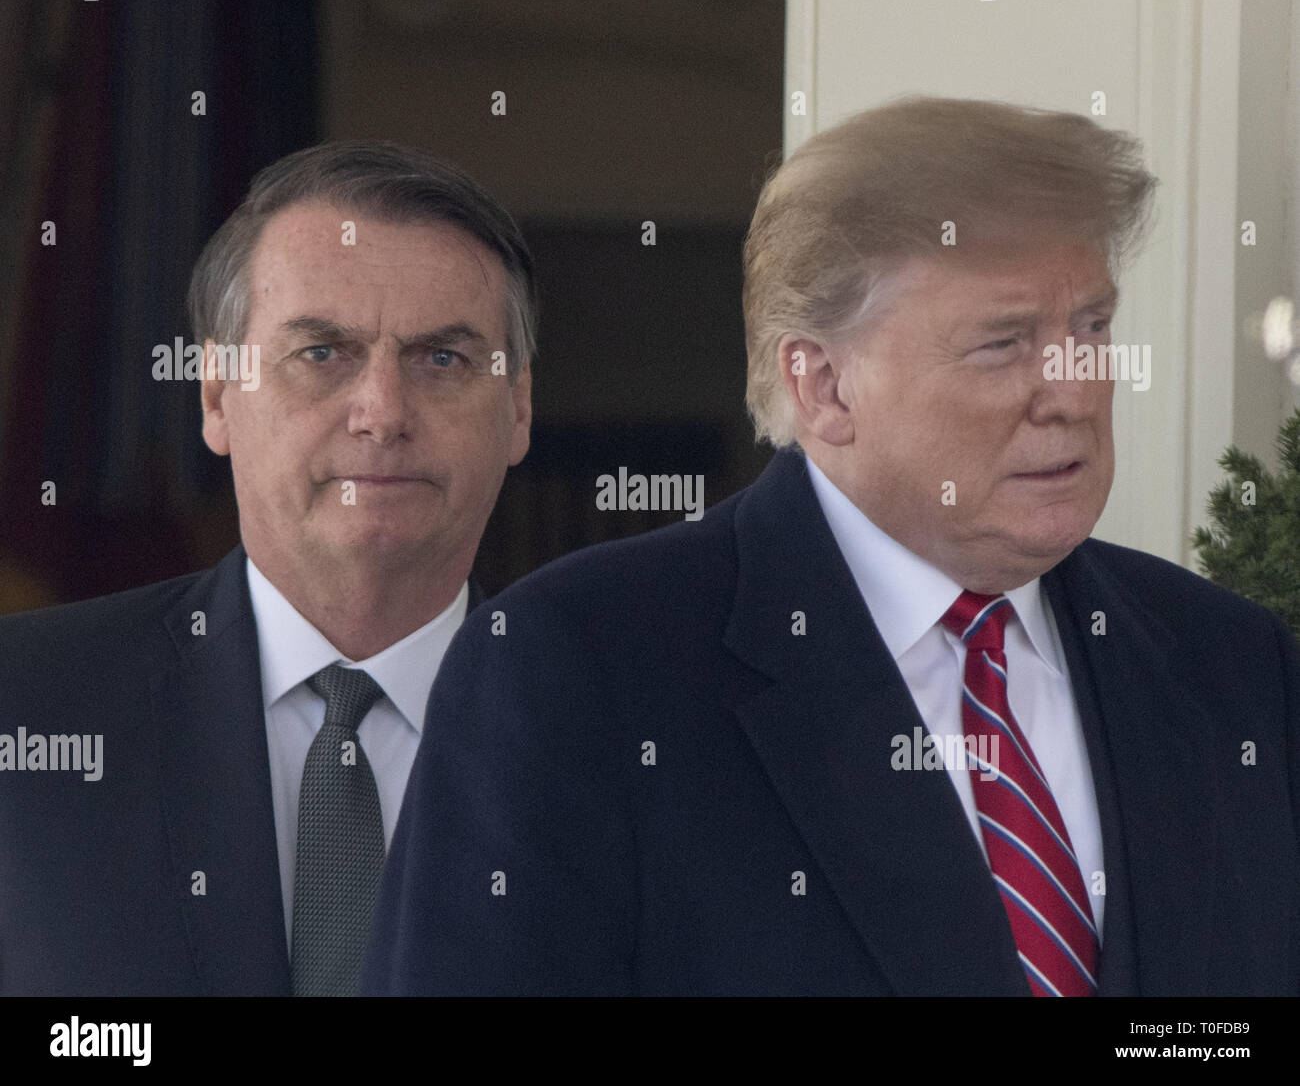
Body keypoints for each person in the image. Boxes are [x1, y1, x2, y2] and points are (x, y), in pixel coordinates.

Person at [363, 97, 1300, 996]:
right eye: (1004, 344)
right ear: (822, 388)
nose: (1072, 391)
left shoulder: (1228, 664)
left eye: (1090, 328)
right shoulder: (573, 670)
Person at [0, 141, 534, 995]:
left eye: (444, 358)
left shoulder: (634, 733)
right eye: (322, 353)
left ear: (519, 409)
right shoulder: (23, 708)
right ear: (216, 395)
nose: (383, 413)